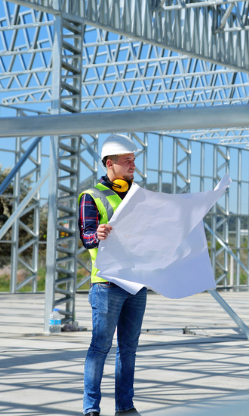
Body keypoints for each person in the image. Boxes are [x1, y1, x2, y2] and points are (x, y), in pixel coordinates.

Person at [78, 134, 145, 416]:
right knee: (100, 348)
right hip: (107, 283)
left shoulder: (139, 196)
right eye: (127, 160)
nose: (133, 165)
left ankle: (125, 407)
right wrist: (99, 234)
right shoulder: (91, 196)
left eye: (134, 160)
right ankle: (91, 408)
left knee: (128, 349)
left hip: (136, 284)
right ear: (110, 164)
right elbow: (87, 235)